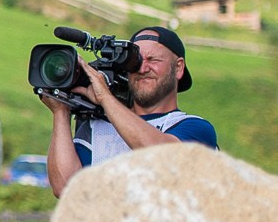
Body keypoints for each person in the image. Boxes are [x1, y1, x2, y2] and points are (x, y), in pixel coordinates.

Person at [43, 25, 217, 196]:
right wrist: (61, 111)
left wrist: (104, 97)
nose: (142, 68)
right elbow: (65, 187)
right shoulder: (96, 128)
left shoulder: (196, 129)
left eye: (153, 60)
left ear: (178, 68)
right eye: (136, 63)